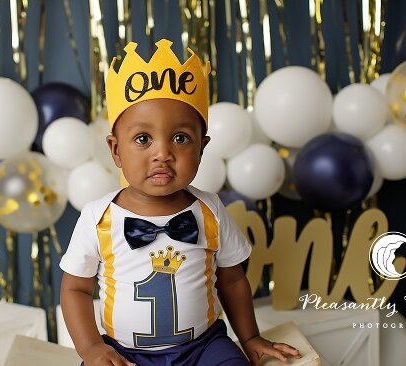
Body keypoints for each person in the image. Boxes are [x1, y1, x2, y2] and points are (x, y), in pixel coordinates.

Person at [59, 39, 300, 365]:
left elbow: (232, 280)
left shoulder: (210, 210)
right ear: (116, 150)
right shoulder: (98, 217)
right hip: (126, 354)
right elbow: (75, 290)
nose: (162, 154)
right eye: (143, 139)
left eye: (180, 138)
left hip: (204, 347)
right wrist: (91, 348)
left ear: (201, 148)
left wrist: (250, 337)